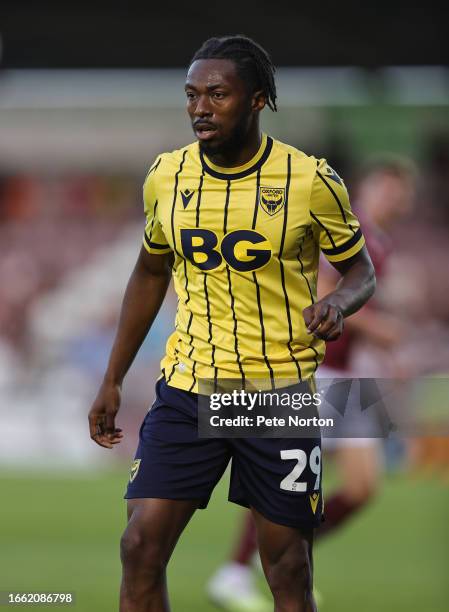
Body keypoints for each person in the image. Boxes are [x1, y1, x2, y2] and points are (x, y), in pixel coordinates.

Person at [88, 35, 376, 612]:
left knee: (288, 567)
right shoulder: (166, 176)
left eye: (217, 94)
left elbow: (361, 271)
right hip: (189, 388)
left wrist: (338, 305)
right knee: (139, 546)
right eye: (192, 95)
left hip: (277, 394)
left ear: (258, 100)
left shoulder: (309, 180)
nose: (200, 107)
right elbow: (149, 272)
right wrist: (113, 376)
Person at [207, 158, 415, 611]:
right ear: (368, 186)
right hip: (312, 367)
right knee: (286, 480)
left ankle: (285, 558)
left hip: (348, 375)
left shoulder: (382, 242)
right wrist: (382, 333)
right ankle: (237, 572)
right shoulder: (347, 227)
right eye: (386, 188)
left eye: (400, 193)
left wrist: (386, 352)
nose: (393, 198)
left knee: (361, 488)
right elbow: (322, 290)